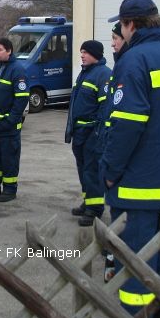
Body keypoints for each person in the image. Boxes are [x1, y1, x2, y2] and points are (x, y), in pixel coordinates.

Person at [99, 0, 160, 318]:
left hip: (140, 185)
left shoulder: (133, 60)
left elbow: (127, 124)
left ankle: (134, 317)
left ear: (130, 25)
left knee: (135, 266)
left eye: (121, 26)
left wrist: (110, 171)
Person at [65, 40, 111, 226]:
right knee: (83, 170)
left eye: (86, 52)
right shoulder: (86, 73)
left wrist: (98, 132)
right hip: (80, 131)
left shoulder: (104, 74)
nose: (82, 55)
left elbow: (105, 107)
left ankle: (95, 209)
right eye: (81, 51)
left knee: (92, 171)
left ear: (96, 54)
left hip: (92, 132)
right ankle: (88, 202)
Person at [0, 37, 30, 202]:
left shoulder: (17, 70)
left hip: (7, 126)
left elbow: (22, 98)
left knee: (9, 159)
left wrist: (10, 119)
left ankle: (9, 190)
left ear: (9, 51)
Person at [98, 22, 129, 282]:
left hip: (125, 170)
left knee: (125, 226)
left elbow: (126, 124)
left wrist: (111, 170)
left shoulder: (129, 66)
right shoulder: (121, 65)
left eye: (115, 38)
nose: (112, 44)